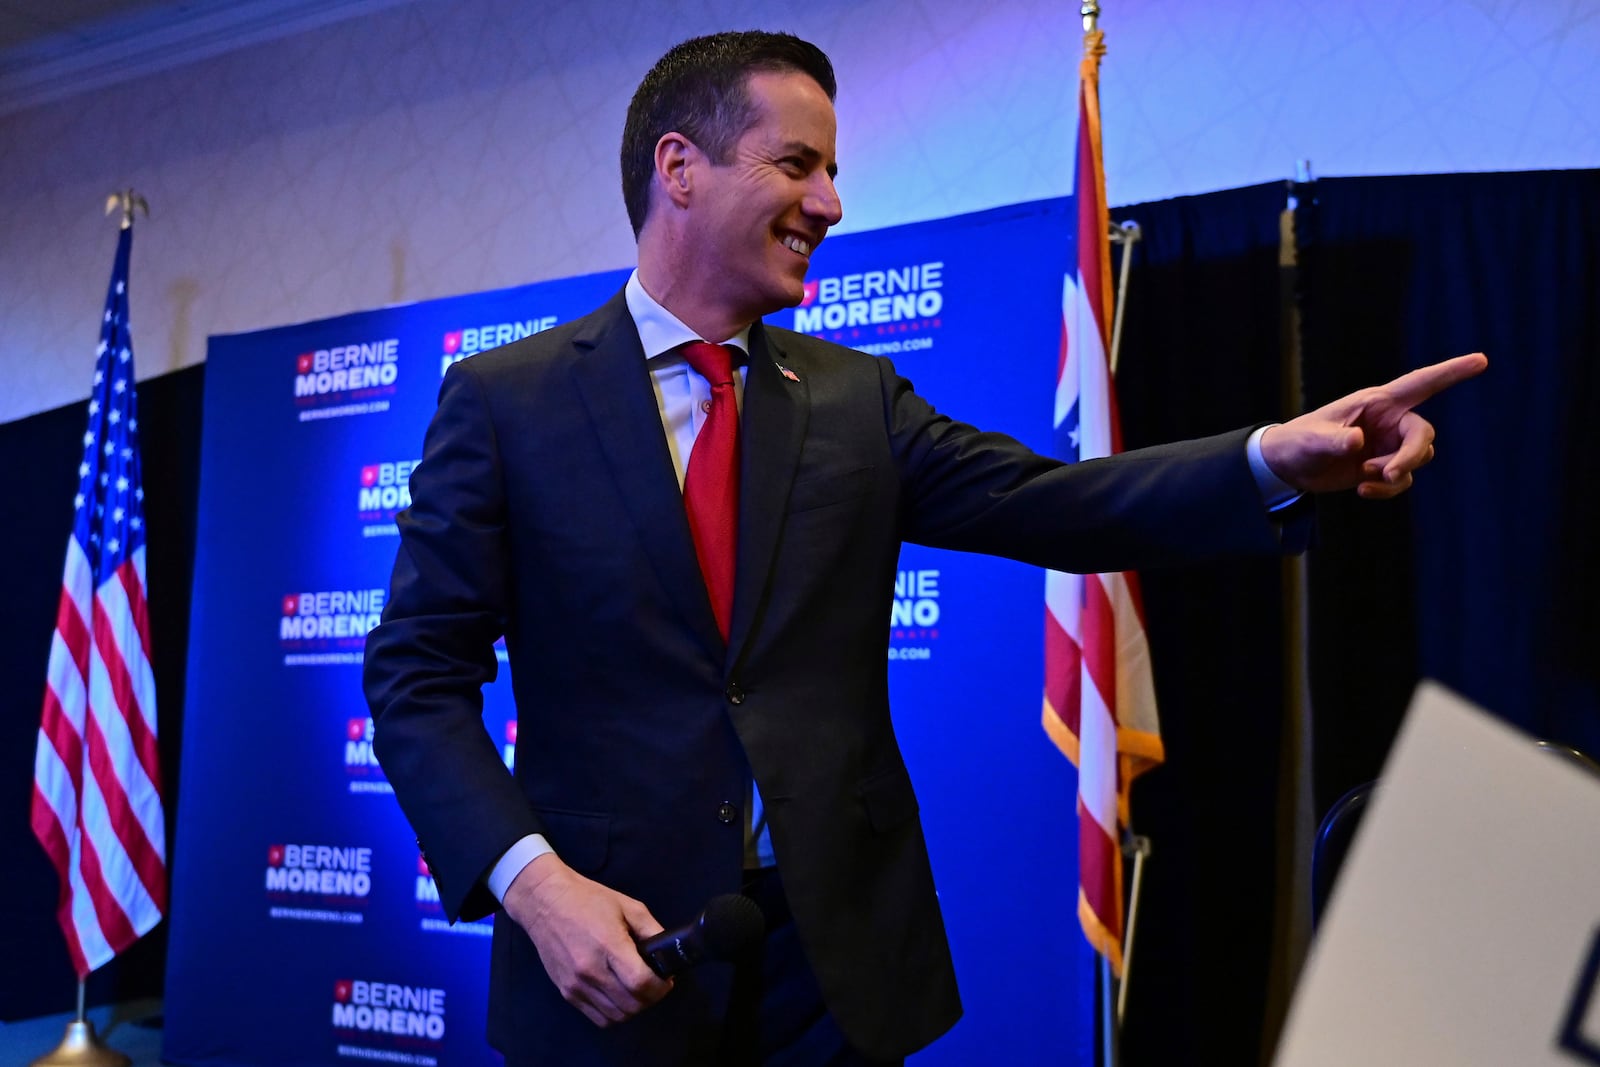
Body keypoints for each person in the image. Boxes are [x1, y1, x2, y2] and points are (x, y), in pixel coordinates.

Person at [361, 29, 1485, 1067]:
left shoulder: (852, 399)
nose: (831, 202)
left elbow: (1059, 503)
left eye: (832, 171)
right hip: (611, 959)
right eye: (797, 164)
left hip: (836, 969)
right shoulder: (506, 402)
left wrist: (1266, 459)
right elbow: (415, 678)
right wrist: (534, 884)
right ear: (679, 166)